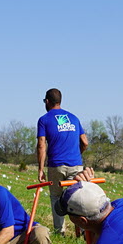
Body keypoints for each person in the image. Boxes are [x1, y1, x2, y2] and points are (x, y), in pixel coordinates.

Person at [36, 88, 88, 233]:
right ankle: (83, 231)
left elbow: (41, 145)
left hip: (56, 166)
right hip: (76, 165)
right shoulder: (74, 118)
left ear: (47, 101)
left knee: (56, 197)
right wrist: (76, 154)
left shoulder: (44, 120)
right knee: (77, 197)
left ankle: (60, 231)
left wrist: (40, 169)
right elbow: (85, 142)